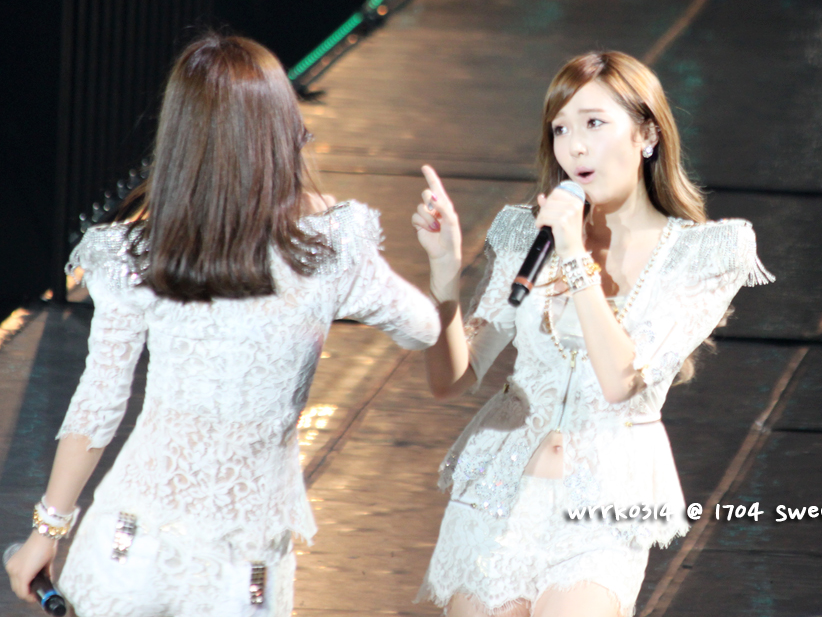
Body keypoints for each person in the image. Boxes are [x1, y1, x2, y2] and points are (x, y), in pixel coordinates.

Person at [5, 32, 440, 617]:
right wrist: (440, 262)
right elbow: (423, 328)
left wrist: (47, 531)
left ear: (181, 138)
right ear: (281, 129)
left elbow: (98, 404)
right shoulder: (331, 247)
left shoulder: (137, 255)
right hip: (244, 569)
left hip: (128, 544)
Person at [411, 51, 775, 617]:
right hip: (497, 493)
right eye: (560, 129)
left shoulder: (701, 254)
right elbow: (451, 379)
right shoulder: (525, 235)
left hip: (602, 508)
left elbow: (621, 381)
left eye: (594, 123)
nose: (574, 147)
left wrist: (575, 258)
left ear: (647, 134)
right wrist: (442, 275)